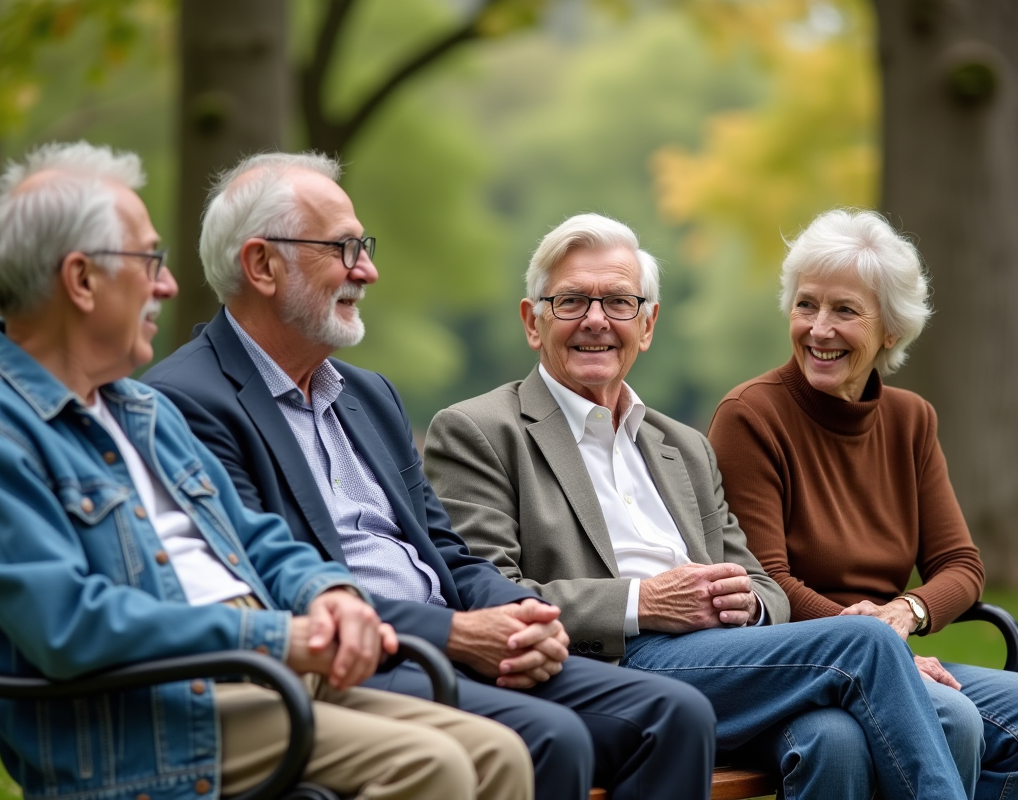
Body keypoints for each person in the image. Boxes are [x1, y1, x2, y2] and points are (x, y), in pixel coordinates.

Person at [0, 141, 534, 800]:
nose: (169, 285)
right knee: (431, 767)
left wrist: (330, 595)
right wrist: (276, 636)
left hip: (260, 679)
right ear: (81, 280)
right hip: (151, 720)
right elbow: (72, 625)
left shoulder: (139, 408)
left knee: (499, 755)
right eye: (149, 260)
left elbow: (255, 538)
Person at [142, 152, 713, 800]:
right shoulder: (187, 401)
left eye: (365, 247)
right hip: (352, 665)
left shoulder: (368, 395)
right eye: (345, 248)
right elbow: (268, 585)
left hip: (456, 643)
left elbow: (446, 551)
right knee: (554, 736)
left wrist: (523, 615)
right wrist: (457, 635)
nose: (368, 269)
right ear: (262, 266)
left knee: (677, 717)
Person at [424, 211, 975, 800]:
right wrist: (647, 603)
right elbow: (484, 596)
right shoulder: (479, 431)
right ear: (533, 322)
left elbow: (763, 585)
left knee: (833, 736)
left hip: (725, 655)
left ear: (648, 323)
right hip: (604, 666)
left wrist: (740, 605)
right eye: (570, 302)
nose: (595, 321)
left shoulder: (680, 446)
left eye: (618, 303)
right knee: (869, 641)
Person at [706, 208, 1018, 800]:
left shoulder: (910, 420)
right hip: (795, 667)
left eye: (845, 311)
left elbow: (962, 567)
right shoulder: (750, 416)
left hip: (890, 656)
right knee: (947, 721)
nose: (818, 329)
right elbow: (766, 584)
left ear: (891, 331)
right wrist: (878, 649)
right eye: (807, 305)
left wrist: (905, 614)